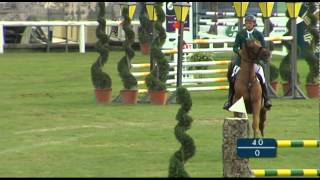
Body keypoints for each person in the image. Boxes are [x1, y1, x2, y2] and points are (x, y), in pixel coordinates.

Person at [223, 14, 272, 110]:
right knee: (233, 77)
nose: (248, 24)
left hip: (255, 62)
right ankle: (229, 100)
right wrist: (239, 51)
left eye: (250, 23)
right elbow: (235, 47)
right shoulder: (240, 34)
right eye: (247, 23)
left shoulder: (258, 34)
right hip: (241, 62)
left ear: (254, 24)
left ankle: (266, 99)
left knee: (262, 76)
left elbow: (263, 48)